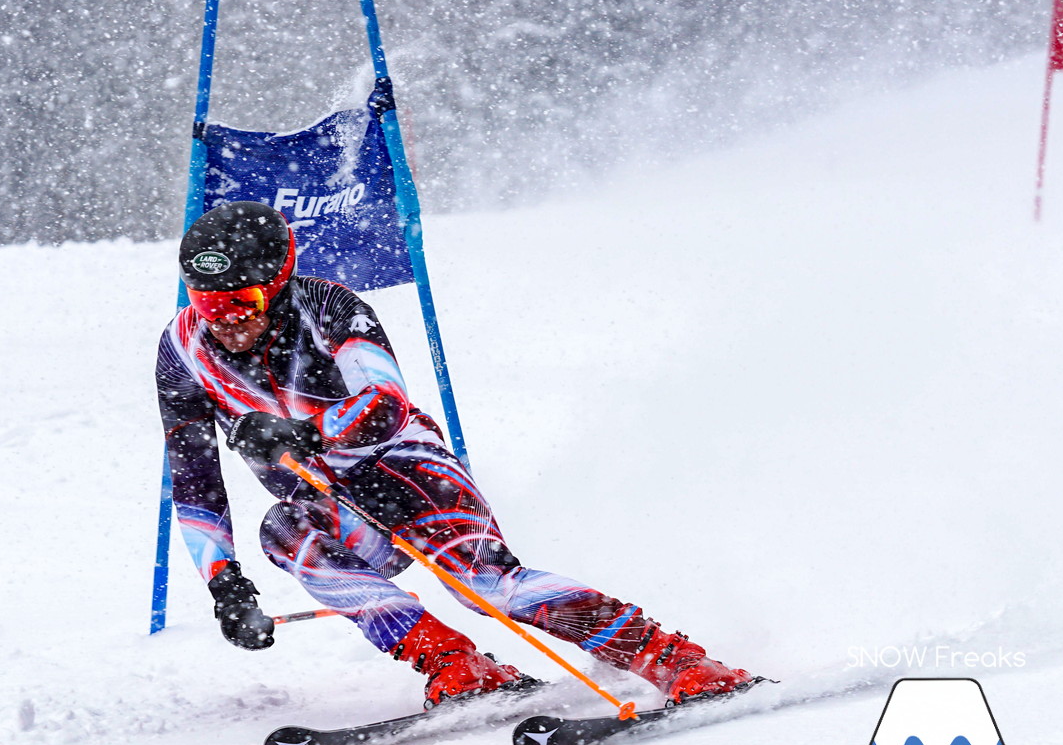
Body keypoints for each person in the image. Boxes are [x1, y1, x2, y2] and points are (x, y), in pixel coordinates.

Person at [156, 200, 755, 709]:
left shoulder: (330, 307)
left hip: (404, 470)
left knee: (484, 589)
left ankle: (668, 658)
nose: (227, 322)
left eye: (243, 303)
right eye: (210, 304)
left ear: (280, 279)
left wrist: (302, 433)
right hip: (327, 500)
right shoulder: (181, 348)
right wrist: (224, 583)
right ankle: (453, 663)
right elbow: (193, 476)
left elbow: (385, 402)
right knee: (286, 531)